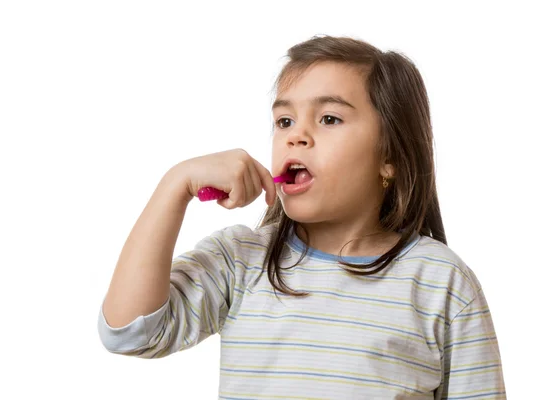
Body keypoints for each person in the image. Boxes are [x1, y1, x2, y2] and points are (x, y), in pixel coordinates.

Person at [97, 35, 506, 399]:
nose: (296, 135)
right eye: (284, 121)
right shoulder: (239, 261)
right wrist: (176, 185)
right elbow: (130, 331)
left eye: (329, 118)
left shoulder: (441, 281)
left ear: (390, 159)